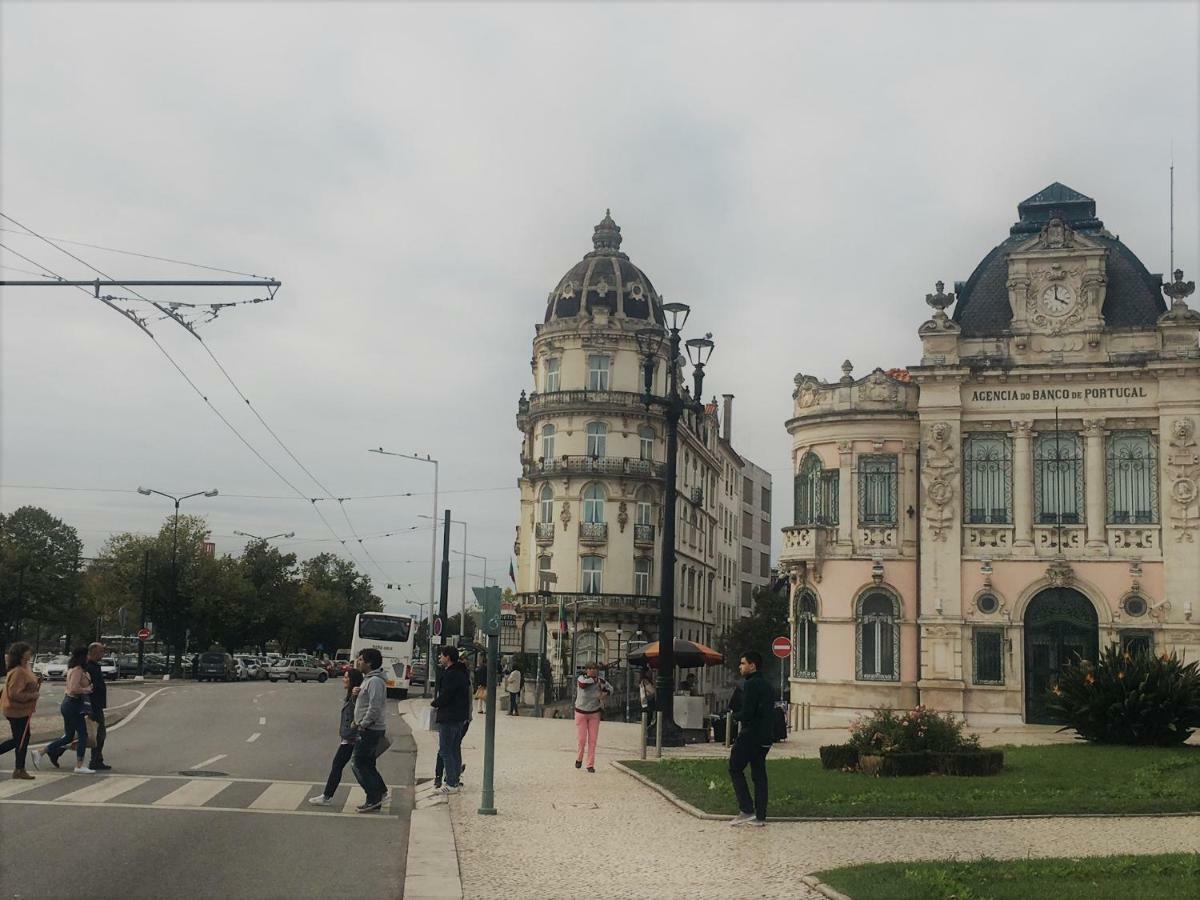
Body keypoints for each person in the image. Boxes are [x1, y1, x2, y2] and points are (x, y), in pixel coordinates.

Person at [727, 650, 772, 827]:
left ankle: (746, 809)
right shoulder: (767, 685)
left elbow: (748, 712)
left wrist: (734, 716)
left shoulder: (751, 685)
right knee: (759, 773)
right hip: (765, 736)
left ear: (753, 665)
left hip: (751, 734)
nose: (740, 666)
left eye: (743, 663)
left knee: (735, 767)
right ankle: (760, 816)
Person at [308, 668, 365, 805]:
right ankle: (378, 793)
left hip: (352, 738)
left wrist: (355, 725)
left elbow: (361, 712)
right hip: (350, 737)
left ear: (353, 680)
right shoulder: (351, 695)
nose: (343, 680)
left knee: (341, 766)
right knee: (360, 767)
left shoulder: (356, 696)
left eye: (346, 677)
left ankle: (327, 796)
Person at [35, 646, 94, 774]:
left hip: (70, 704)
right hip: (73, 704)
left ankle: (41, 752)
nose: (89, 657)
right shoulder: (77, 670)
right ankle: (79, 764)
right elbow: (73, 689)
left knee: (68, 736)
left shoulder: (76, 669)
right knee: (83, 735)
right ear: (83, 656)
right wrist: (87, 689)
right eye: (87, 655)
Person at [348, 648, 389, 813]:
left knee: (358, 763)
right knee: (368, 764)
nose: (357, 661)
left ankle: (373, 798)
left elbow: (374, 708)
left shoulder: (375, 682)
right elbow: (365, 703)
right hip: (368, 728)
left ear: (369, 662)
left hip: (370, 729)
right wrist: (356, 694)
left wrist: (362, 724)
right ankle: (380, 792)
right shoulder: (369, 680)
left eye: (360, 659)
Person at [429, 645, 469, 794]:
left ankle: (451, 782)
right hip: (459, 717)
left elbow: (447, 695)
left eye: (441, 655)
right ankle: (455, 779)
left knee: (445, 750)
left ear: (448, 657)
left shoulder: (450, 674)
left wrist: (435, 703)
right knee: (454, 748)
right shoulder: (462, 673)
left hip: (449, 716)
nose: (440, 658)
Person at [1, 642, 42, 779]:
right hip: (16, 710)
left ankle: (19, 768)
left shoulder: (24, 668)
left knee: (22, 738)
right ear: (21, 654)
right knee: (21, 739)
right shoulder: (18, 671)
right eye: (27, 651)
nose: (30, 652)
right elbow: (14, 693)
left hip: (22, 710)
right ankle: (19, 768)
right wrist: (32, 696)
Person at [573, 663, 610, 773]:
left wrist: (604, 693)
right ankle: (579, 758)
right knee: (582, 739)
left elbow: (610, 689)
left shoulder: (601, 681)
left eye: (594, 669)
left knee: (593, 740)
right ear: (586, 670)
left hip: (594, 713)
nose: (592, 670)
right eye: (590, 668)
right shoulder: (581, 678)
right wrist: (596, 680)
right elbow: (583, 684)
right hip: (581, 712)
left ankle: (590, 764)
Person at [83, 642, 111, 770]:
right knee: (98, 734)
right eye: (101, 652)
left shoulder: (94, 666)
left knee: (87, 733)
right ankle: (95, 760)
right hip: (92, 705)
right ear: (94, 652)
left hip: (96, 704)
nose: (103, 654)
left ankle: (97, 759)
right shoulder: (89, 667)